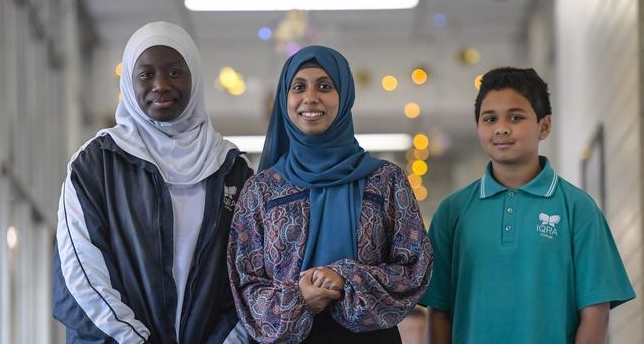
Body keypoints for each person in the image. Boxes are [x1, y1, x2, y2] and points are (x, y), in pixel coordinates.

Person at [52, 21, 253, 344]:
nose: (161, 84)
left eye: (175, 72)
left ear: (194, 79)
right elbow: (81, 274)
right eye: (146, 74)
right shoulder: (96, 164)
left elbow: (248, 278)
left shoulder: (232, 169)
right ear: (130, 83)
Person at [227, 45, 433, 344]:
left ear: (345, 96)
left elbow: (415, 268)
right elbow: (243, 285)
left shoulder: (386, 180)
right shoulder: (261, 190)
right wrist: (299, 299)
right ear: (286, 99)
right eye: (298, 87)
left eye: (325, 86)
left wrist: (346, 278)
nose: (310, 97)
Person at [424, 67, 636, 344]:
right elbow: (439, 310)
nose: (501, 127)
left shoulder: (578, 209)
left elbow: (596, 312)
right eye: (490, 118)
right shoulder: (451, 212)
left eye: (516, 117)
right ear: (478, 127)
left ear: (544, 126)